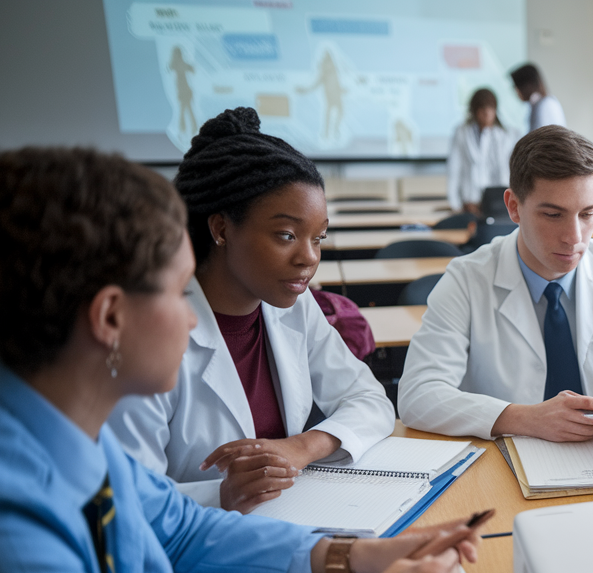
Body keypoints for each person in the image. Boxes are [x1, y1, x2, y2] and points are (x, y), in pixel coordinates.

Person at [0, 146, 486, 573]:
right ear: (110, 318)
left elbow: (184, 532)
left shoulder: (60, 428)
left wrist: (358, 553)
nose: (194, 315)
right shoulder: (8, 522)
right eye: (175, 291)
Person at [108, 107, 395, 513]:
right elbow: (125, 499)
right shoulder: (147, 332)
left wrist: (300, 447)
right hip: (190, 555)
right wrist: (220, 496)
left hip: (287, 520)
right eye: (286, 235)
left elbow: (370, 400)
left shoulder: (293, 305)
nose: (308, 259)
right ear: (221, 229)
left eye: (319, 238)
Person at [397, 125, 593, 445]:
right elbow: (419, 394)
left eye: (587, 213)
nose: (574, 237)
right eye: (553, 214)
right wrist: (524, 418)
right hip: (505, 459)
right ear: (513, 207)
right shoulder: (466, 279)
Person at [447, 88, 516, 215]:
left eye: (490, 108)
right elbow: (454, 168)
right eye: (482, 109)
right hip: (470, 201)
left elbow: (509, 169)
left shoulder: (506, 135)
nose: (486, 113)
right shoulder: (462, 133)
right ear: (474, 111)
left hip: (498, 201)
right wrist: (454, 203)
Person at [510, 63, 566, 131]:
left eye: (516, 87)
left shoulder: (545, 105)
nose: (516, 91)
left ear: (527, 85)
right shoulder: (541, 103)